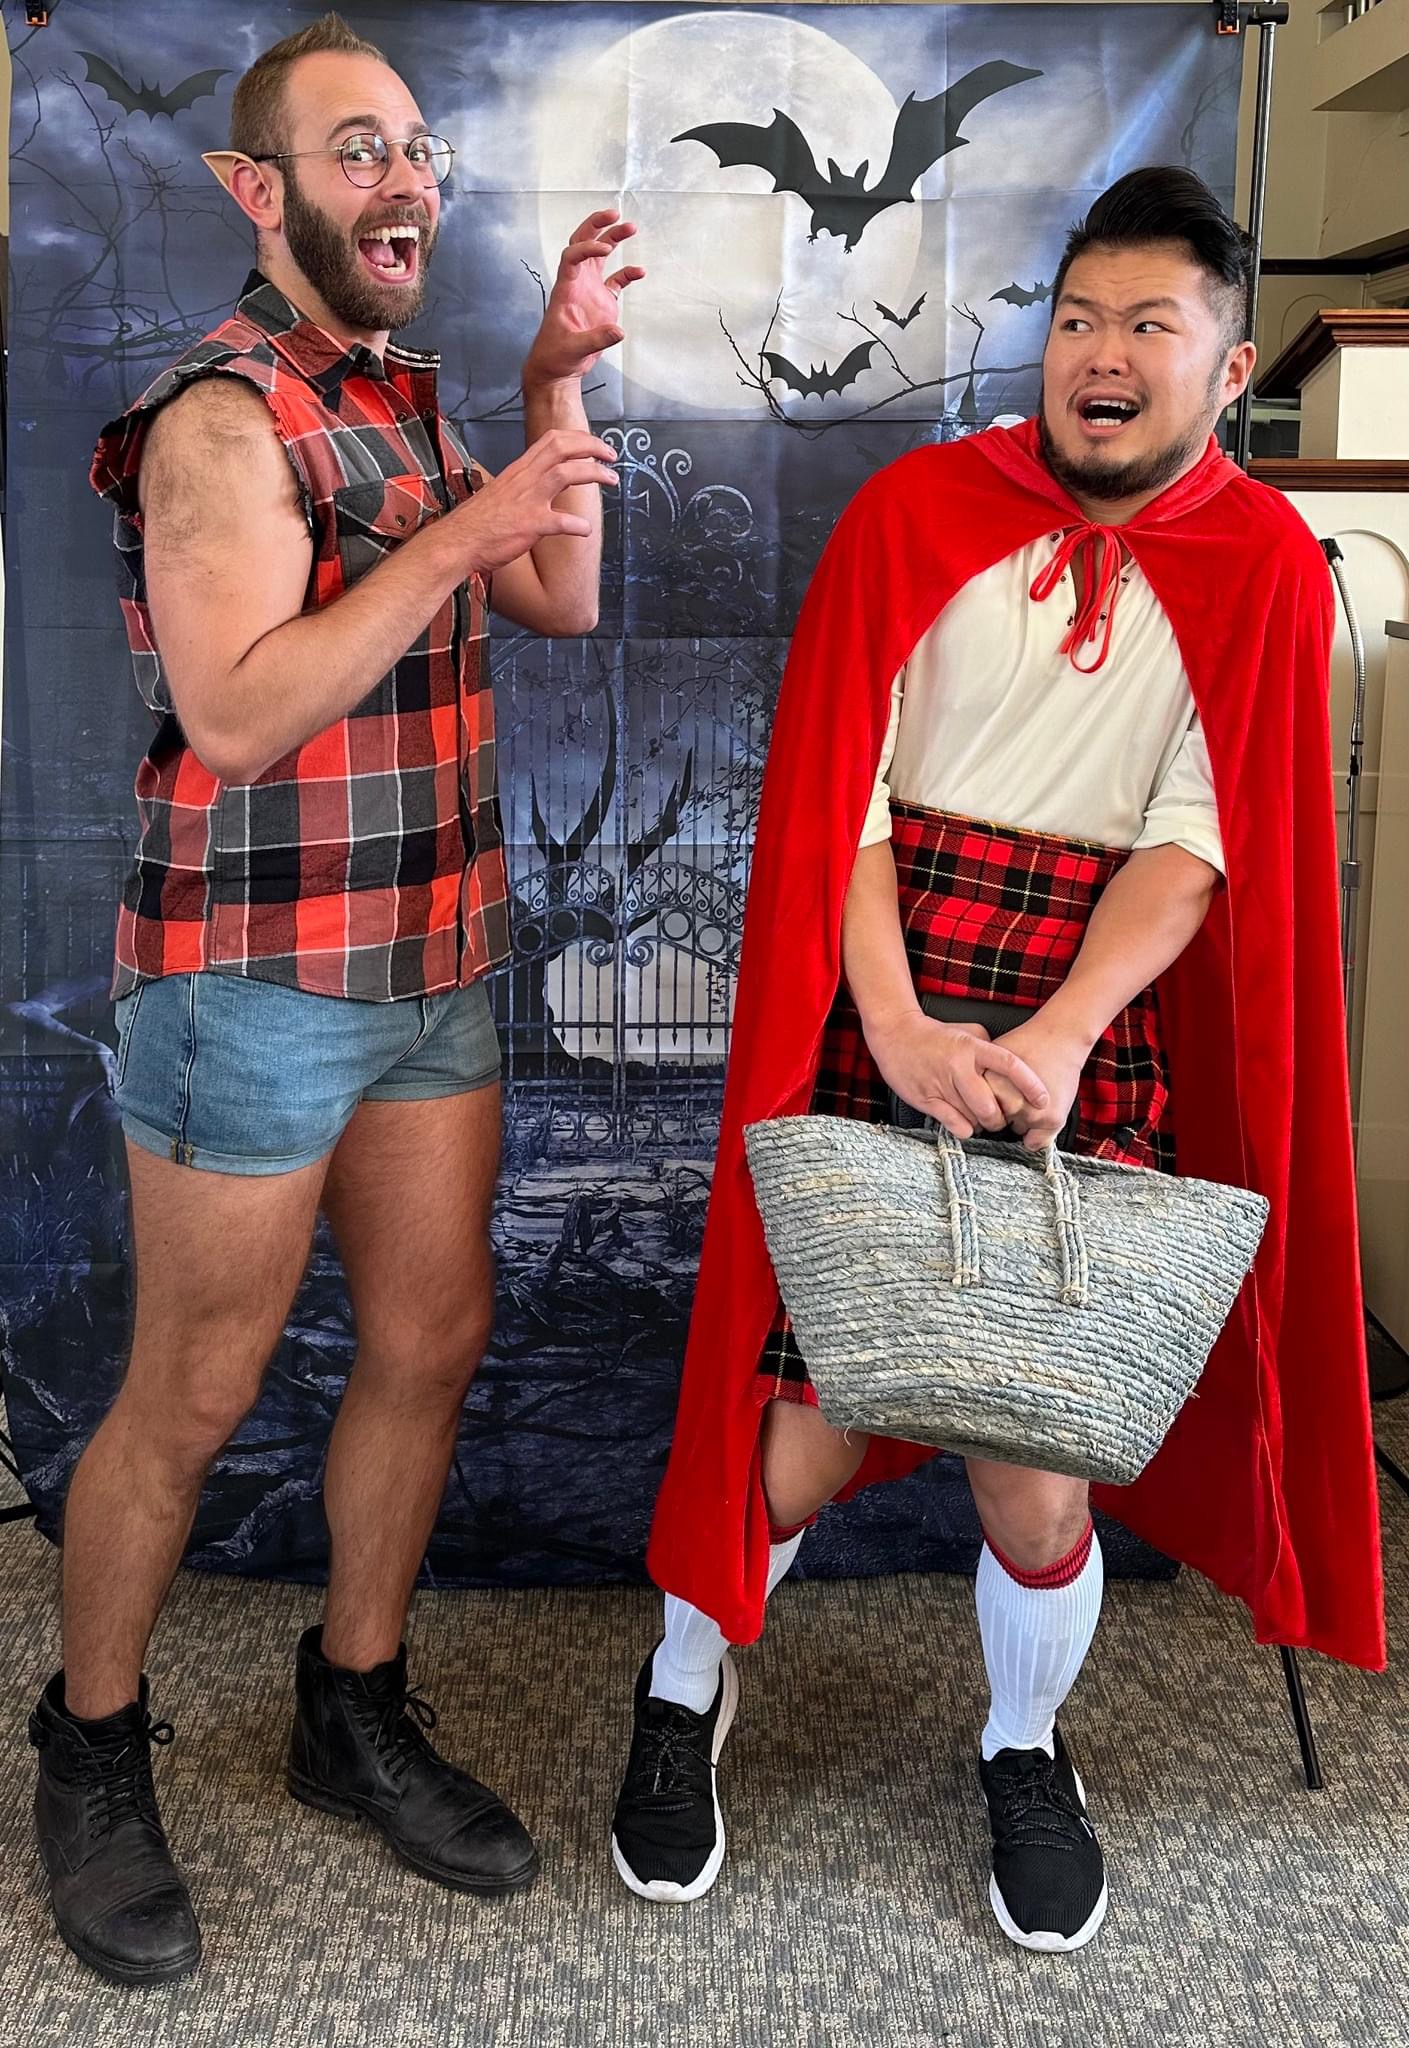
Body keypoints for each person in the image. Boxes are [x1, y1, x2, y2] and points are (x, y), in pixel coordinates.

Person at [611, 166, 1383, 1951]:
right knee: (796, 1436)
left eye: (1149, 326)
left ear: (1228, 358)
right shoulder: (912, 510)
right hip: (882, 966)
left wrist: (1052, 1036)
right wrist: (885, 1018)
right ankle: (679, 1692)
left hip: (1081, 1002)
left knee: (1036, 1457)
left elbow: (1198, 844)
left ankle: (1025, 1746)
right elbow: (840, 798)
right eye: (1078, 319)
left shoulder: (1264, 562)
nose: (1100, 356)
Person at [28, 12, 642, 1987]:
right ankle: (91, 1744)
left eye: (415, 148)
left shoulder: (405, 396)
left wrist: (549, 389)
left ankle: (346, 1698)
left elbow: (555, 596)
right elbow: (239, 711)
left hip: (430, 966)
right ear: (257, 187)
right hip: (251, 985)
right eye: (353, 146)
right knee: (195, 1393)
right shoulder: (217, 417)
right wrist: (468, 522)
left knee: (433, 1337)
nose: (402, 178)